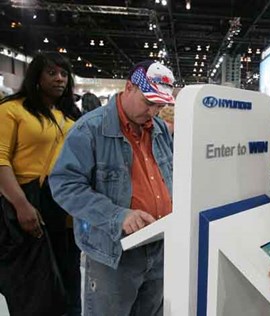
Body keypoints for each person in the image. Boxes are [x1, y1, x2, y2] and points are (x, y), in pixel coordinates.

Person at [49, 60, 175, 315]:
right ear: (129, 87)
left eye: (159, 105)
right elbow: (65, 185)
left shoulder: (160, 129)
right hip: (114, 254)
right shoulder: (89, 129)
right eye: (148, 102)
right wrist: (118, 215)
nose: (153, 112)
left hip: (159, 247)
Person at [0, 52, 82, 315]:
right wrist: (21, 205)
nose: (59, 78)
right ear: (36, 77)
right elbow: (0, 160)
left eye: (64, 74)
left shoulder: (70, 116)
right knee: (32, 288)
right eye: (52, 73)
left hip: (65, 209)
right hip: (25, 201)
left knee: (67, 285)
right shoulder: (11, 110)